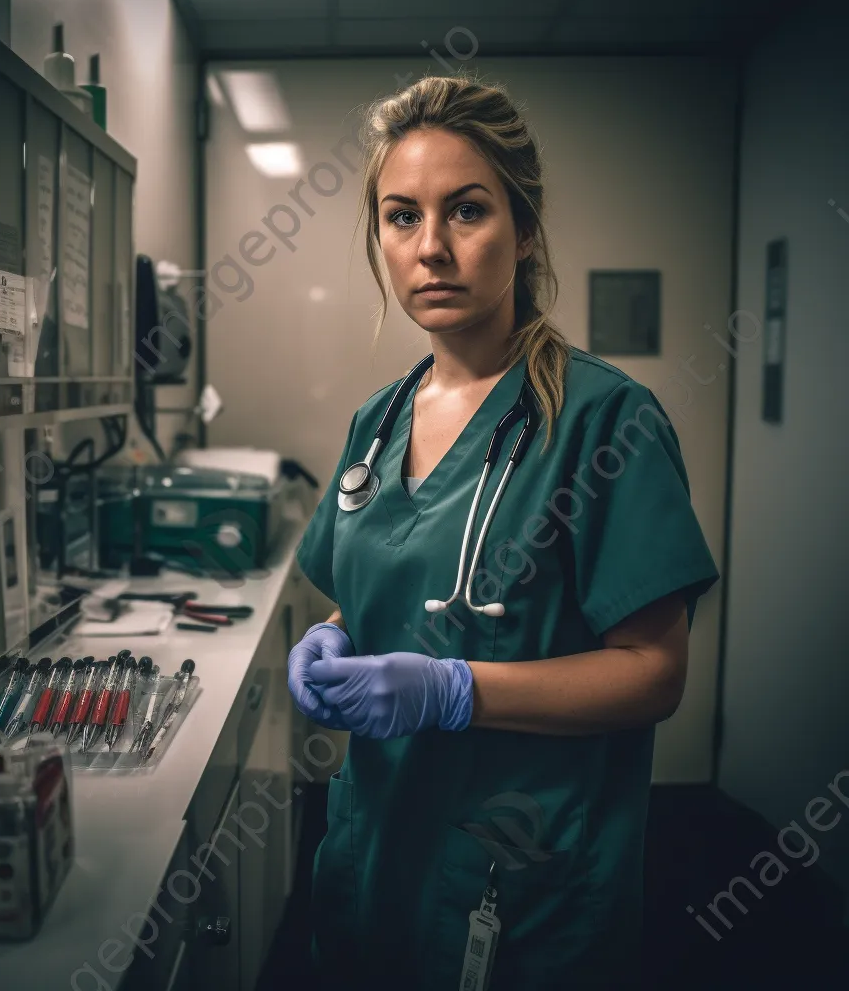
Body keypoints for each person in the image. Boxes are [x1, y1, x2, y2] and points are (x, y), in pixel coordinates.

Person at [288, 74, 719, 991]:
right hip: (375, 855)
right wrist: (332, 639)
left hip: (521, 880)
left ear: (524, 230)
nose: (431, 248)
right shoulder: (379, 419)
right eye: (401, 217)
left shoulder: (608, 422)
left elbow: (655, 673)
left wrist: (454, 690)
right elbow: (367, 593)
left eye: (467, 211)